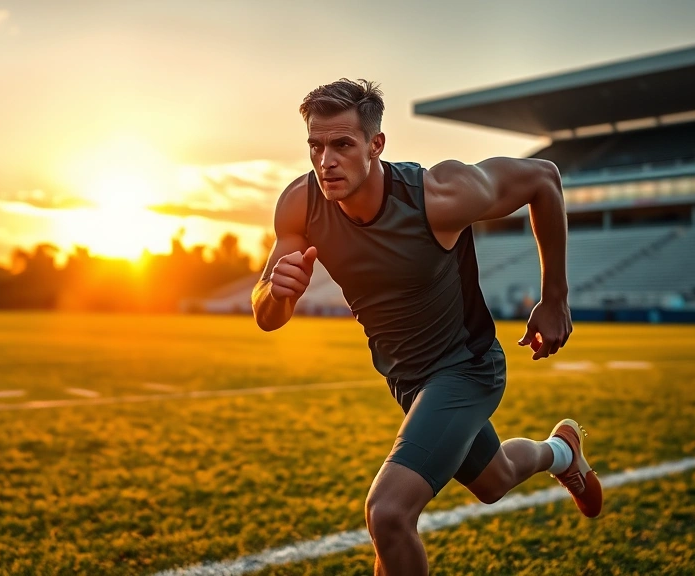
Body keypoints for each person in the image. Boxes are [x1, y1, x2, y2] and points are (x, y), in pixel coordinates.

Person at [251, 79, 602, 575]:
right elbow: (268, 315)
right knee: (494, 480)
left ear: (376, 145)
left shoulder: (438, 195)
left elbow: (544, 178)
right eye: (316, 145)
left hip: (468, 367)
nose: (326, 160)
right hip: (408, 381)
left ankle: (560, 452)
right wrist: (275, 292)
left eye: (342, 144)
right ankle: (562, 452)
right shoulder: (300, 206)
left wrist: (555, 298)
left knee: (388, 513)